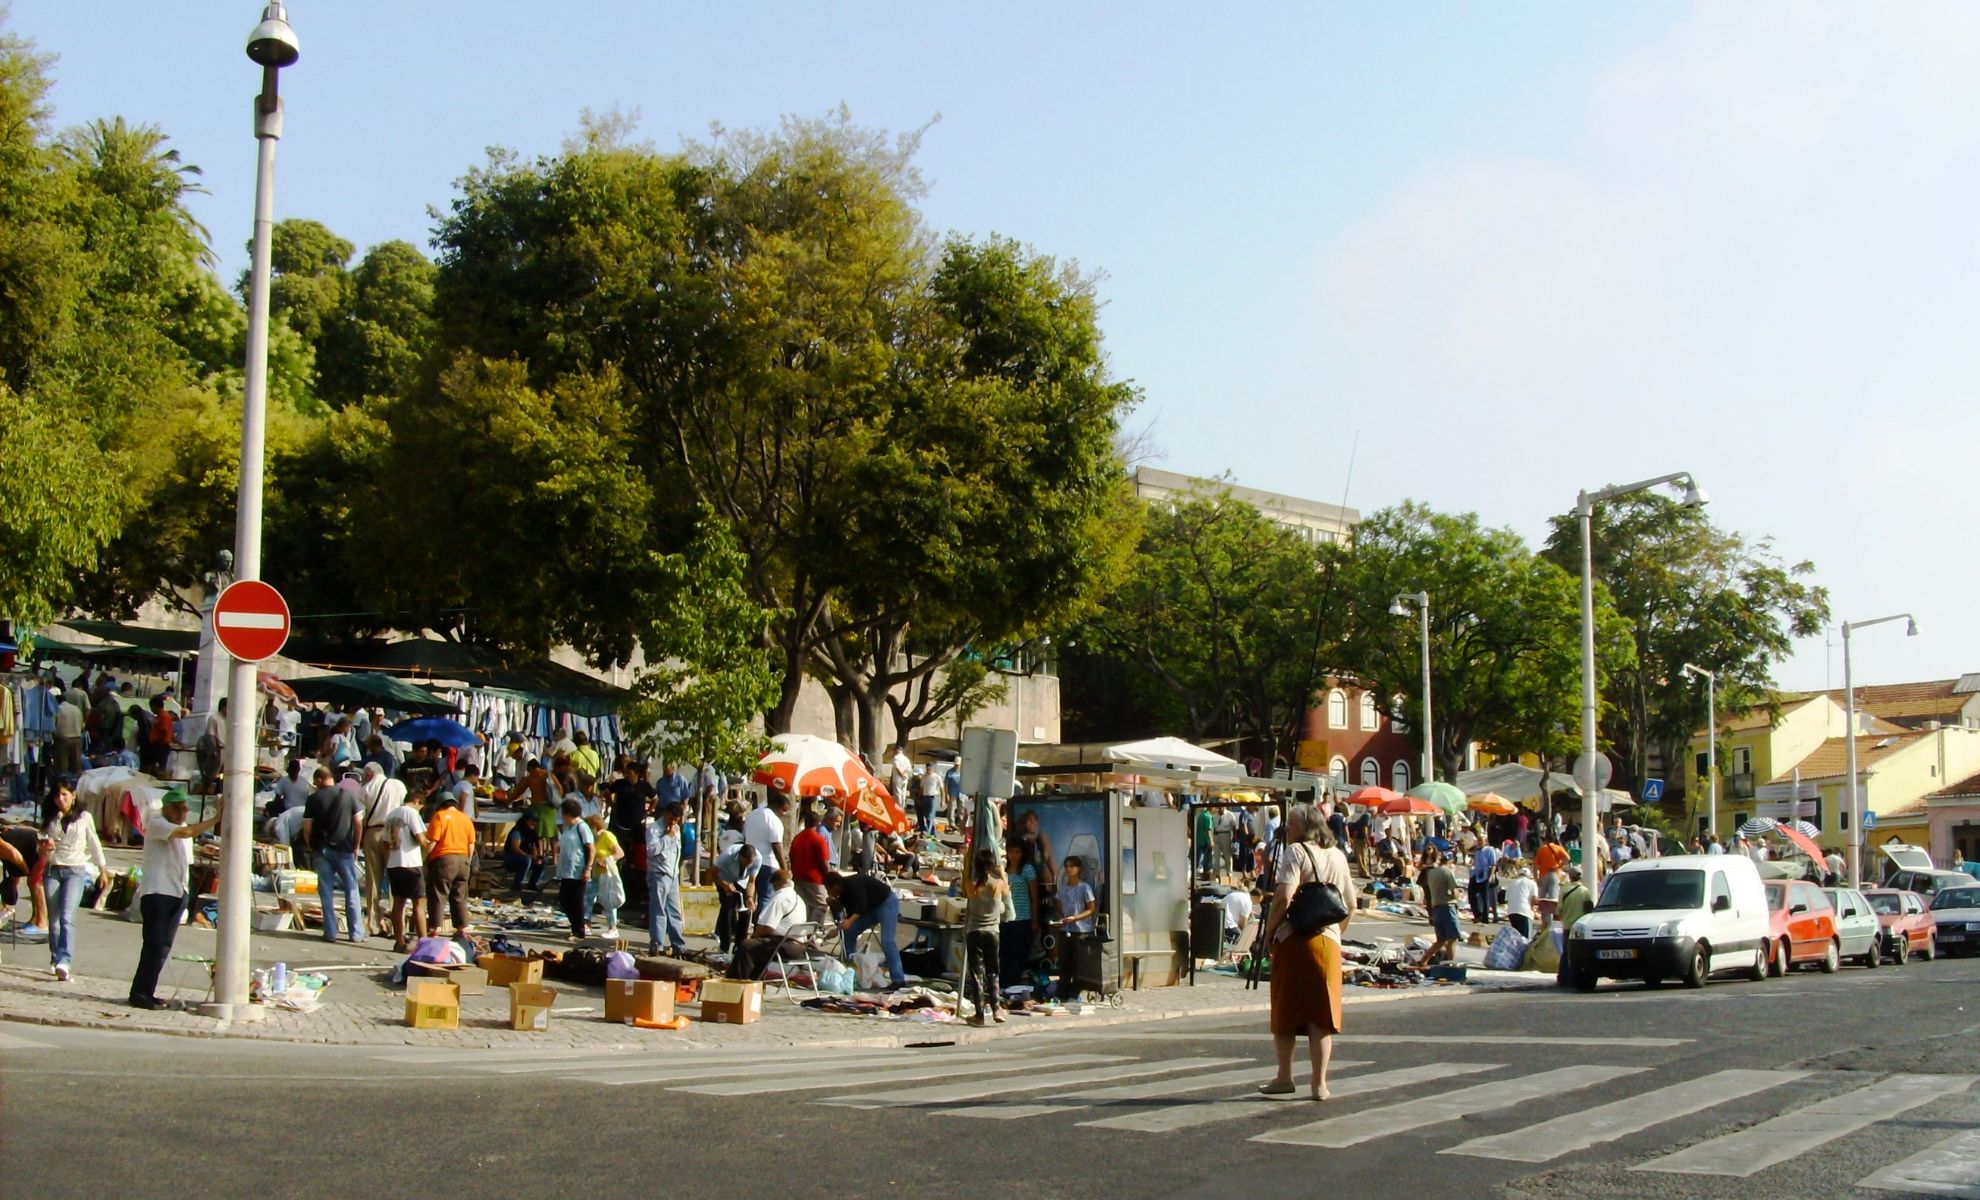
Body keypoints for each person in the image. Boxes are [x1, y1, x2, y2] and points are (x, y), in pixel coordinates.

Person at [1258, 803, 1352, 1102]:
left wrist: (1270, 930)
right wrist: (1337, 932)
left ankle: (1285, 1076)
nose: (1287, 830)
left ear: (1305, 827)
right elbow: (1351, 903)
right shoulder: (1339, 856)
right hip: (1328, 941)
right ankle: (1319, 1083)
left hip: (1295, 939)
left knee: (1286, 1012)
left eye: (1292, 825)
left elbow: (1284, 896)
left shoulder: (1295, 852)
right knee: (1320, 1016)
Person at [128, 791, 223, 1009]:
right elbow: (186, 832)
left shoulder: (181, 830)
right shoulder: (158, 823)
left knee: (163, 947)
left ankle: (148, 990)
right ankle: (140, 992)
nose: (183, 812)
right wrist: (215, 819)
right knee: (153, 944)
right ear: (167, 808)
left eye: (185, 808)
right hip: (158, 892)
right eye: (178, 808)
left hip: (177, 891)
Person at [42, 782, 109, 981]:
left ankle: (65, 960)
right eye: (57, 796)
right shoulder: (51, 818)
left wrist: (102, 870)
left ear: (73, 795)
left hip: (75, 870)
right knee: (53, 922)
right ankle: (55, 958)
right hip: (53, 869)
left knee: (66, 917)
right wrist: (45, 847)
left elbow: (94, 843)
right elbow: (41, 850)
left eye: (64, 794)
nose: (60, 799)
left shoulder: (84, 818)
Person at [301, 766, 364, 943]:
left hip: (321, 851)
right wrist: (356, 846)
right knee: (351, 891)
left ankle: (330, 933)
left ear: (320, 779)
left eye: (315, 781)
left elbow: (307, 828)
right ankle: (356, 933)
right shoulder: (349, 795)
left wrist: (310, 846)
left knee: (326, 893)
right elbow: (358, 823)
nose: (315, 785)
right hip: (345, 850)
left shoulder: (313, 799)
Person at [826, 869, 907, 990]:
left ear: (836, 885)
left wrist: (849, 922)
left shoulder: (854, 884)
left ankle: (898, 979)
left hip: (886, 903)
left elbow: (861, 907)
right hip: (870, 910)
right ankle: (851, 968)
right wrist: (838, 928)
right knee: (849, 932)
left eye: (829, 889)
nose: (829, 893)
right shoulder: (843, 895)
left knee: (887, 941)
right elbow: (850, 915)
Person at [962, 847, 1010, 1025]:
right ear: (991, 866)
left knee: (976, 974)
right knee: (993, 971)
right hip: (992, 932)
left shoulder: (970, 884)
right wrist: (1002, 872)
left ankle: (979, 1015)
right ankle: (997, 1009)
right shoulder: (997, 884)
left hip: (974, 931)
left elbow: (969, 893)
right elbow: (1007, 892)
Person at [359, 762, 406, 937]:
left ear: (369, 774)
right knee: (395, 878)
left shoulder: (366, 789)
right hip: (394, 832)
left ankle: (373, 924)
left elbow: (361, 815)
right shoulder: (398, 785)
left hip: (373, 831)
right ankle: (397, 925)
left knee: (373, 878)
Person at [738, 868, 808, 981]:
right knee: (759, 946)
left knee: (746, 946)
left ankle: (737, 981)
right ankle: (756, 981)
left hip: (785, 946)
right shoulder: (799, 899)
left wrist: (754, 936)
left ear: (776, 884)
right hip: (800, 947)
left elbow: (768, 926)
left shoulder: (779, 898)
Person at [421, 792, 475, 936]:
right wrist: (467, 862)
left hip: (444, 860)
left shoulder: (439, 816)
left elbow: (433, 841)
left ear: (440, 805)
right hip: (463, 860)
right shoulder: (465, 819)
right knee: (459, 895)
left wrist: (423, 858)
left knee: (438, 894)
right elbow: (471, 844)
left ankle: (435, 928)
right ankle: (462, 928)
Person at [383, 779, 427, 952]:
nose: (420, 810)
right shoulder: (411, 813)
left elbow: (386, 843)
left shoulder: (391, 815)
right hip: (411, 862)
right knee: (418, 903)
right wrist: (430, 845)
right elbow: (420, 838)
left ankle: (399, 941)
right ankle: (424, 942)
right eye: (420, 807)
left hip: (394, 863)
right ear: (416, 801)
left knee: (398, 904)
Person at [646, 803, 687, 955]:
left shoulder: (676, 828)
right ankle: (657, 944)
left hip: (673, 874)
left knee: (674, 911)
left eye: (676, 820)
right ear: (666, 813)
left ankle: (678, 945)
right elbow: (651, 851)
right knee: (659, 910)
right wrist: (666, 838)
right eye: (671, 818)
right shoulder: (654, 829)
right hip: (659, 873)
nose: (673, 822)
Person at [1056, 855, 1098, 1003]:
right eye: (1067, 866)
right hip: (1066, 929)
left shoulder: (1084, 887)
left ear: (1078, 869)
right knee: (1064, 963)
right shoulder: (1063, 887)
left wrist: (1076, 918)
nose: (1068, 869)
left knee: (1078, 964)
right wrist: (1062, 917)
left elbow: (1091, 908)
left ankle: (1074, 993)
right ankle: (1062, 993)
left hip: (1081, 930)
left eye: (1072, 866)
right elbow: (1059, 905)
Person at [1001, 839, 1041, 987]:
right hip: (1005, 919)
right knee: (1004, 954)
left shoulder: (1027, 870)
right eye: (1011, 851)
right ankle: (1003, 985)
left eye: (1017, 851)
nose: (1013, 855)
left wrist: (1035, 920)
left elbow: (1034, 896)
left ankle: (1010, 986)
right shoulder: (1003, 869)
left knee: (1018, 956)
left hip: (1023, 918)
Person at [743, 791, 790, 917]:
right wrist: (784, 869)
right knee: (766, 898)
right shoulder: (774, 820)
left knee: (749, 896)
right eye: (784, 810)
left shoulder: (752, 815)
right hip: (767, 863)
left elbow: (745, 836)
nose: (784, 814)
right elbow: (777, 846)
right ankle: (760, 925)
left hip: (750, 860)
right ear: (778, 806)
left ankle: (748, 922)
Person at [554, 799, 594, 939]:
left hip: (578, 869)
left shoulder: (581, 827)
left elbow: (591, 849)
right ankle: (575, 926)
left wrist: (588, 869)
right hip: (566, 870)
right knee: (564, 899)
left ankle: (579, 930)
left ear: (568, 814)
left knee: (576, 901)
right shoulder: (568, 828)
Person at [712, 843, 759, 954]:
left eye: (750, 864)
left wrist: (749, 897)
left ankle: (739, 946)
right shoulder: (728, 855)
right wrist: (724, 885)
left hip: (742, 881)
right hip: (724, 878)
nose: (747, 866)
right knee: (728, 909)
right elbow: (712, 874)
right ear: (740, 857)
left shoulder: (758, 859)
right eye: (745, 863)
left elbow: (752, 882)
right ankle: (724, 947)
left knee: (746, 912)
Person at [790, 805, 833, 923]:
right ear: (818, 823)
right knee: (822, 905)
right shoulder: (818, 839)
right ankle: (813, 933)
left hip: (798, 877)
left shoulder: (797, 838)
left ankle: (804, 932)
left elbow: (791, 857)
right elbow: (824, 863)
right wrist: (829, 879)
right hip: (814, 879)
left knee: (805, 906)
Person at [1420, 848, 1461, 964]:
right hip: (1447, 907)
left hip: (1436, 908)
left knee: (1441, 940)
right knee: (1452, 938)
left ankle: (1423, 960)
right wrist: (1458, 895)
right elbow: (1454, 892)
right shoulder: (1447, 872)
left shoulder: (1433, 872)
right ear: (1450, 860)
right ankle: (1451, 964)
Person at [588, 813, 625, 937]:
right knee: (588, 898)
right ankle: (586, 924)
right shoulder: (595, 839)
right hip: (596, 873)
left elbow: (620, 853)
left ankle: (613, 928)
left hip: (607, 874)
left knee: (609, 901)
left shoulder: (607, 836)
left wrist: (606, 859)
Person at [1469, 837, 1501, 924]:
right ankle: (1477, 914)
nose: (1479, 842)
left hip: (1485, 876)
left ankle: (1485, 918)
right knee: (1471, 895)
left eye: (1481, 841)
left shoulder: (1490, 851)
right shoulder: (1477, 851)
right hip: (1476, 875)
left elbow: (1493, 864)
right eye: (1478, 841)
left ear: (1485, 842)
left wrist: (1490, 876)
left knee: (1485, 897)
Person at [1502, 862, 1538, 938]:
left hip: (1512, 912)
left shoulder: (1512, 883)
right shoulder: (1531, 883)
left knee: (1516, 937)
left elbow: (1507, 899)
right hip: (1525, 912)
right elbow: (1534, 900)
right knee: (1525, 938)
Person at [1222, 885, 1258, 954]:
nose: (1257, 904)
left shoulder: (1241, 895)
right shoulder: (1248, 902)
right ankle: (1241, 956)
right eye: (1258, 901)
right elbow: (1242, 923)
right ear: (1255, 897)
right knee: (1242, 941)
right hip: (1228, 924)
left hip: (1220, 918)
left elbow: (1237, 906)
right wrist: (1246, 934)